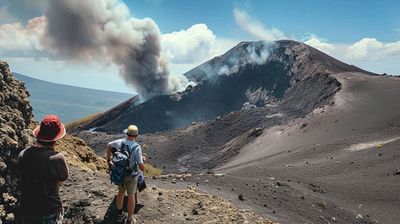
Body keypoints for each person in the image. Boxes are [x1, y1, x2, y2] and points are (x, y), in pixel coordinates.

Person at [18, 115, 69, 224]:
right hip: (49, 209)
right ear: (56, 138)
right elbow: (62, 179)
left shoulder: (23, 154)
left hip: (27, 208)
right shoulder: (57, 158)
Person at [106, 125, 145, 224]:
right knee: (131, 195)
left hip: (120, 173)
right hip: (132, 175)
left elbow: (108, 145)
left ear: (127, 133)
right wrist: (144, 168)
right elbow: (140, 165)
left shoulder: (120, 142)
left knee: (120, 193)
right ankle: (130, 218)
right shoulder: (137, 147)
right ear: (136, 135)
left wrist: (108, 161)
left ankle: (120, 215)